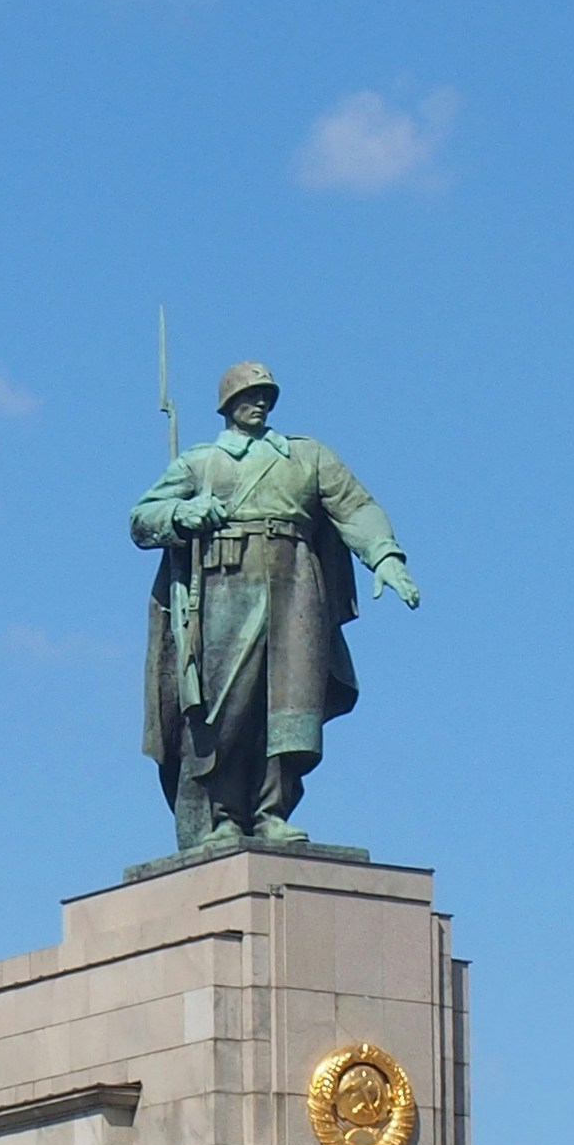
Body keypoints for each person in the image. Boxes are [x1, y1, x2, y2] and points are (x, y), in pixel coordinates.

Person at [131, 363, 419, 854]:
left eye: (266, 395)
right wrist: (183, 513)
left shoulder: (306, 457)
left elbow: (355, 507)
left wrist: (385, 556)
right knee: (226, 706)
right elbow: (142, 519)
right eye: (248, 395)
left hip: (296, 584)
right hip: (226, 584)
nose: (259, 403)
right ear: (226, 403)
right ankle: (225, 816)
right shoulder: (202, 463)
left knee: (292, 705)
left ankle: (272, 813)